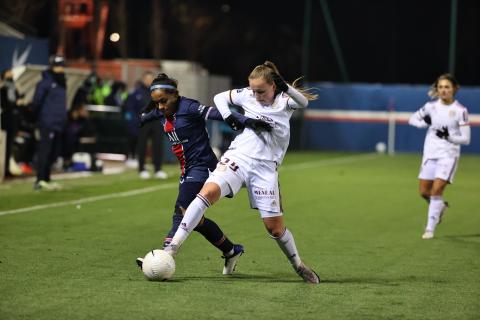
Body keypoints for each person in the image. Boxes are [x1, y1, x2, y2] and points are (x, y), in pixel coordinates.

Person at [164, 61, 321, 283]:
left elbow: (303, 102)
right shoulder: (247, 94)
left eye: (261, 91)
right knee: (207, 193)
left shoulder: (285, 101)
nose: (255, 95)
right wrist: (229, 116)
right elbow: (220, 98)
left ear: (274, 86)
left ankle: (298, 265)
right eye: (253, 90)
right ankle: (171, 249)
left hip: (265, 169)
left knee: (275, 229)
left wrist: (286, 87)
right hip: (239, 157)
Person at [136, 73, 271, 274]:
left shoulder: (188, 107)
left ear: (176, 94)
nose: (161, 107)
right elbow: (150, 114)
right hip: (187, 170)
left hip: (202, 167)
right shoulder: (162, 111)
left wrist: (246, 121)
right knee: (196, 221)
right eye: (157, 103)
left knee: (181, 210)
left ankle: (166, 253)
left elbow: (217, 114)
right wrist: (143, 117)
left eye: (163, 101)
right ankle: (231, 250)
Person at [408, 73, 471, 240]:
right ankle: (440, 207)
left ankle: (430, 229)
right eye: (441, 87)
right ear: (437, 89)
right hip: (430, 154)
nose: (443, 90)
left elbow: (466, 139)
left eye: (447, 87)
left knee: (436, 191)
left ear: (454, 89)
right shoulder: (430, 107)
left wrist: (449, 137)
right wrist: (424, 123)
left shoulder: (460, 111)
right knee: (423, 191)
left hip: (448, 155)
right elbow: (412, 119)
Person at [31, 55, 68, 190]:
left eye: (62, 66)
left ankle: (46, 178)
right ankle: (39, 180)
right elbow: (37, 102)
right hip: (47, 122)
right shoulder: (45, 83)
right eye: (58, 66)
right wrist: (37, 119)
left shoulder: (62, 83)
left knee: (53, 153)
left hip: (58, 122)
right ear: (52, 67)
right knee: (45, 151)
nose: (61, 69)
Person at [124, 71, 167, 179]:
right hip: (143, 122)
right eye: (147, 79)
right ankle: (142, 169)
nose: (149, 81)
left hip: (156, 122)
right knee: (142, 146)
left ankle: (158, 169)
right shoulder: (136, 93)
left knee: (158, 146)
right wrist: (135, 122)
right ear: (143, 79)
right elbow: (131, 109)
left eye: (151, 79)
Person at [0, 68, 23, 177]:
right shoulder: (3, 87)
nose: (11, 74)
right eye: (8, 72)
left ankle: (7, 169)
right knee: (4, 145)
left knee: (9, 145)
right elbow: (5, 104)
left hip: (13, 119)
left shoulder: (13, 86)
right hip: (4, 119)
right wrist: (15, 103)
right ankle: (3, 169)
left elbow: (17, 99)